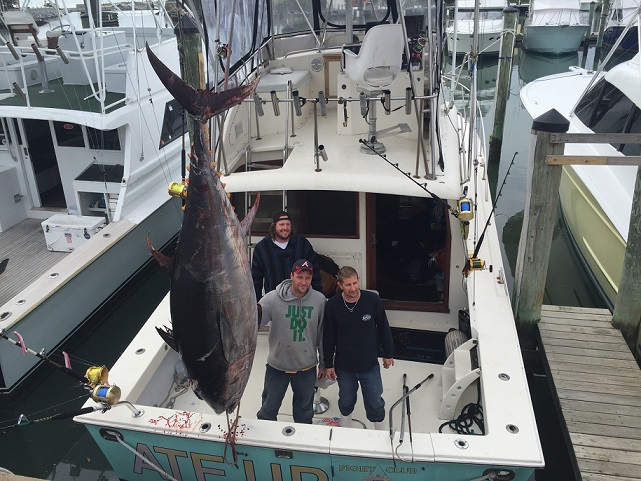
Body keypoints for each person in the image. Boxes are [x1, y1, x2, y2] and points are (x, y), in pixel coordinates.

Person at [323, 266, 394, 430]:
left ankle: (380, 433)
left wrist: (388, 353)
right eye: (348, 285)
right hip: (344, 367)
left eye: (355, 283)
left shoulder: (372, 300)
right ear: (340, 285)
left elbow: (384, 327)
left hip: (369, 365)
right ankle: (345, 428)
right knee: (346, 400)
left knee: (375, 400)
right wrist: (328, 363)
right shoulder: (332, 305)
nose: (353, 288)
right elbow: (328, 337)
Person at [256, 259, 327, 424]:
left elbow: (323, 335)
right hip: (277, 366)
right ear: (291, 276)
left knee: (304, 414)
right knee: (267, 410)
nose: (303, 282)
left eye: (307, 278)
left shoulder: (320, 301)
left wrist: (324, 363)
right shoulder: (272, 298)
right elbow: (253, 323)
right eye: (299, 277)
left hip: (306, 367)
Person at [251, 210, 322, 300]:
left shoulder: (302, 244)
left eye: (288, 224)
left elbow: (315, 272)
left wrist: (317, 297)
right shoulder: (262, 247)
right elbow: (256, 278)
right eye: (281, 224)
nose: (285, 228)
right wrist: (257, 301)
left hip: (300, 299)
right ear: (274, 226)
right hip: (274, 300)